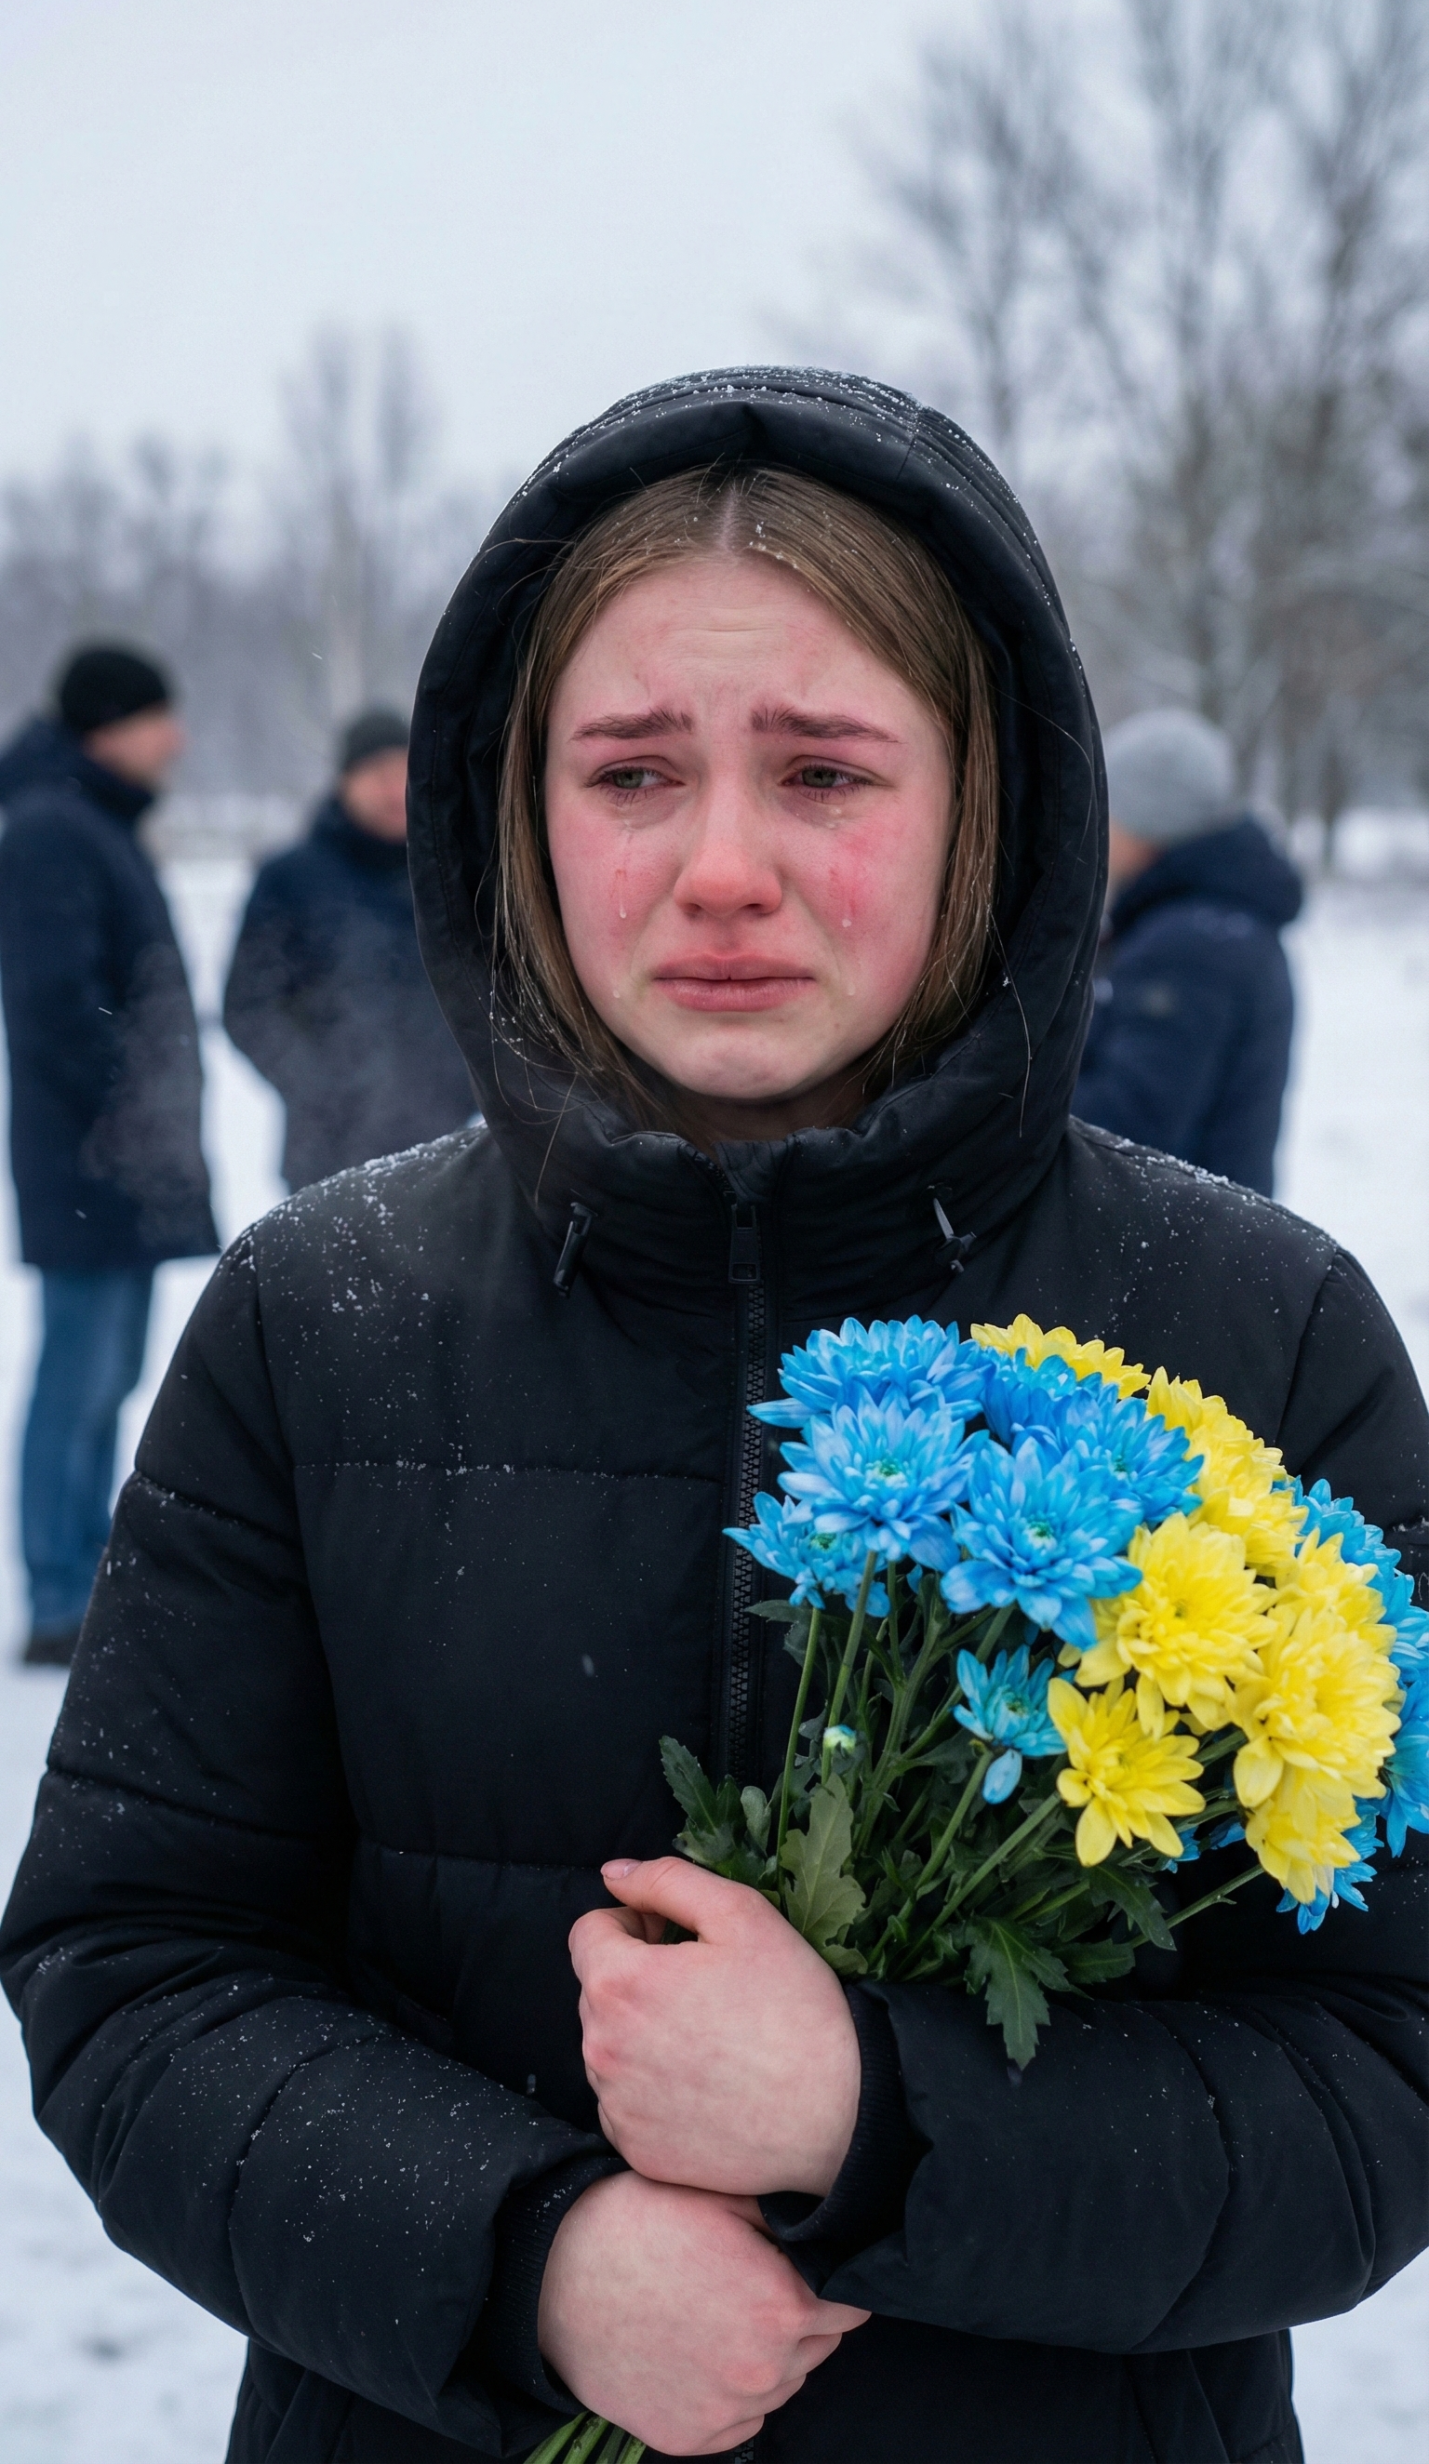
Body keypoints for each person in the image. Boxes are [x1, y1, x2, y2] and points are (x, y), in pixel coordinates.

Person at [3, 374, 1426, 2464]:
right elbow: (135, 1970)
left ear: (992, 804)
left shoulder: (1255, 1330)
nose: (721, 867)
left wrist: (881, 2107)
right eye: (634, 770)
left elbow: (1380, 2068)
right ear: (521, 806)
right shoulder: (317, 1326)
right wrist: (524, 2254)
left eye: (827, 769)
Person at [0, 643, 217, 1667]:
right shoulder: (52, 830)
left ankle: (82, 1567)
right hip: (89, 1162)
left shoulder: (93, 822)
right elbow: (57, 1008)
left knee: (112, 1373)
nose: (172, 737)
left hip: (122, 1159)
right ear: (108, 724)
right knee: (77, 1376)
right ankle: (54, 1591)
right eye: (157, 717)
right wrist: (130, 1114)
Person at [222, 708, 473, 1191]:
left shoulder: (454, 874)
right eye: (376, 773)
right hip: (326, 1155)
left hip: (444, 1151)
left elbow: (490, 995)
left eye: (404, 771)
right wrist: (319, 1087)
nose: (391, 788)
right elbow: (249, 1007)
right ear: (344, 782)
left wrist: (464, 1087)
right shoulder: (291, 880)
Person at [1073, 708, 1303, 1193]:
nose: (1096, 826)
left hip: (1181, 1252)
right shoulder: (1216, 923)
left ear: (1149, 821)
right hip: (1210, 1238)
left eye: (1108, 808)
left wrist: (1007, 1105)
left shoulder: (1191, 947)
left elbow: (1127, 1127)